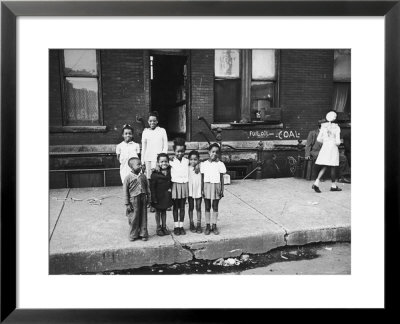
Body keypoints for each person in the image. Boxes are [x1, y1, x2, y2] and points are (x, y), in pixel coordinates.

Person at [141, 111, 168, 212]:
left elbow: (165, 146)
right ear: (148, 121)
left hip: (159, 161)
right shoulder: (145, 132)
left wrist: (161, 160)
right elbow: (143, 148)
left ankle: (162, 202)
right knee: (150, 183)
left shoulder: (162, 131)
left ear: (157, 121)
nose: (152, 122)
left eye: (154, 121)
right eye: (150, 121)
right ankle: (151, 202)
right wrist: (142, 162)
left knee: (160, 182)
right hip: (148, 159)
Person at [312, 111, 342, 193]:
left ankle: (316, 183)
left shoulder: (323, 126)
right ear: (335, 118)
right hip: (332, 148)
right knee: (333, 166)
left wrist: (325, 142)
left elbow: (318, 139)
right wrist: (336, 142)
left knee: (325, 165)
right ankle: (333, 186)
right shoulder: (337, 128)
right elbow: (338, 142)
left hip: (325, 147)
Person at [201, 143, 226, 235]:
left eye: (216, 152)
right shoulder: (204, 164)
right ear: (209, 152)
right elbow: (202, 178)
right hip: (207, 186)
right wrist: (202, 189)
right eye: (212, 152)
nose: (214, 154)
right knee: (207, 206)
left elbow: (221, 178)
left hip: (216, 186)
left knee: (215, 206)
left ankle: (214, 225)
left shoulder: (220, 164)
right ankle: (208, 225)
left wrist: (222, 189)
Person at [123, 157, 150, 242]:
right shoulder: (128, 178)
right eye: (138, 164)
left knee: (143, 216)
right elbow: (125, 192)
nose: (141, 166)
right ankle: (133, 234)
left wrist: (149, 199)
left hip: (143, 199)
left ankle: (143, 233)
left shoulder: (143, 176)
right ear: (131, 167)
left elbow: (148, 188)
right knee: (134, 217)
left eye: (141, 164)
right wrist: (127, 203)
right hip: (133, 200)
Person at [169, 138, 189, 236]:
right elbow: (161, 164)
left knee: (182, 207)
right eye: (178, 151)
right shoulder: (171, 161)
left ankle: (181, 226)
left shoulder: (187, 161)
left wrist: (197, 165)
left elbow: (197, 163)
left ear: (184, 151)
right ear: (174, 151)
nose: (180, 153)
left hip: (184, 185)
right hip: (175, 186)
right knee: (175, 207)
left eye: (182, 151)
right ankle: (176, 226)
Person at [150, 153, 172, 236]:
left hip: (165, 196)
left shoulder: (170, 170)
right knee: (158, 212)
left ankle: (164, 227)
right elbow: (152, 187)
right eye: (162, 161)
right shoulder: (155, 174)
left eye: (166, 161)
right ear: (158, 163)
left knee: (164, 212)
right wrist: (153, 198)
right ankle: (158, 228)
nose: (164, 163)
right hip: (157, 197)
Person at [188, 150, 203, 233]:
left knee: (198, 207)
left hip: (198, 190)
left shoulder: (201, 166)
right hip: (190, 190)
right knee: (191, 207)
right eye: (191, 159)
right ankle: (191, 223)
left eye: (195, 159)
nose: (193, 161)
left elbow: (206, 162)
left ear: (198, 160)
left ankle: (199, 224)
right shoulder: (187, 167)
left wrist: (199, 165)